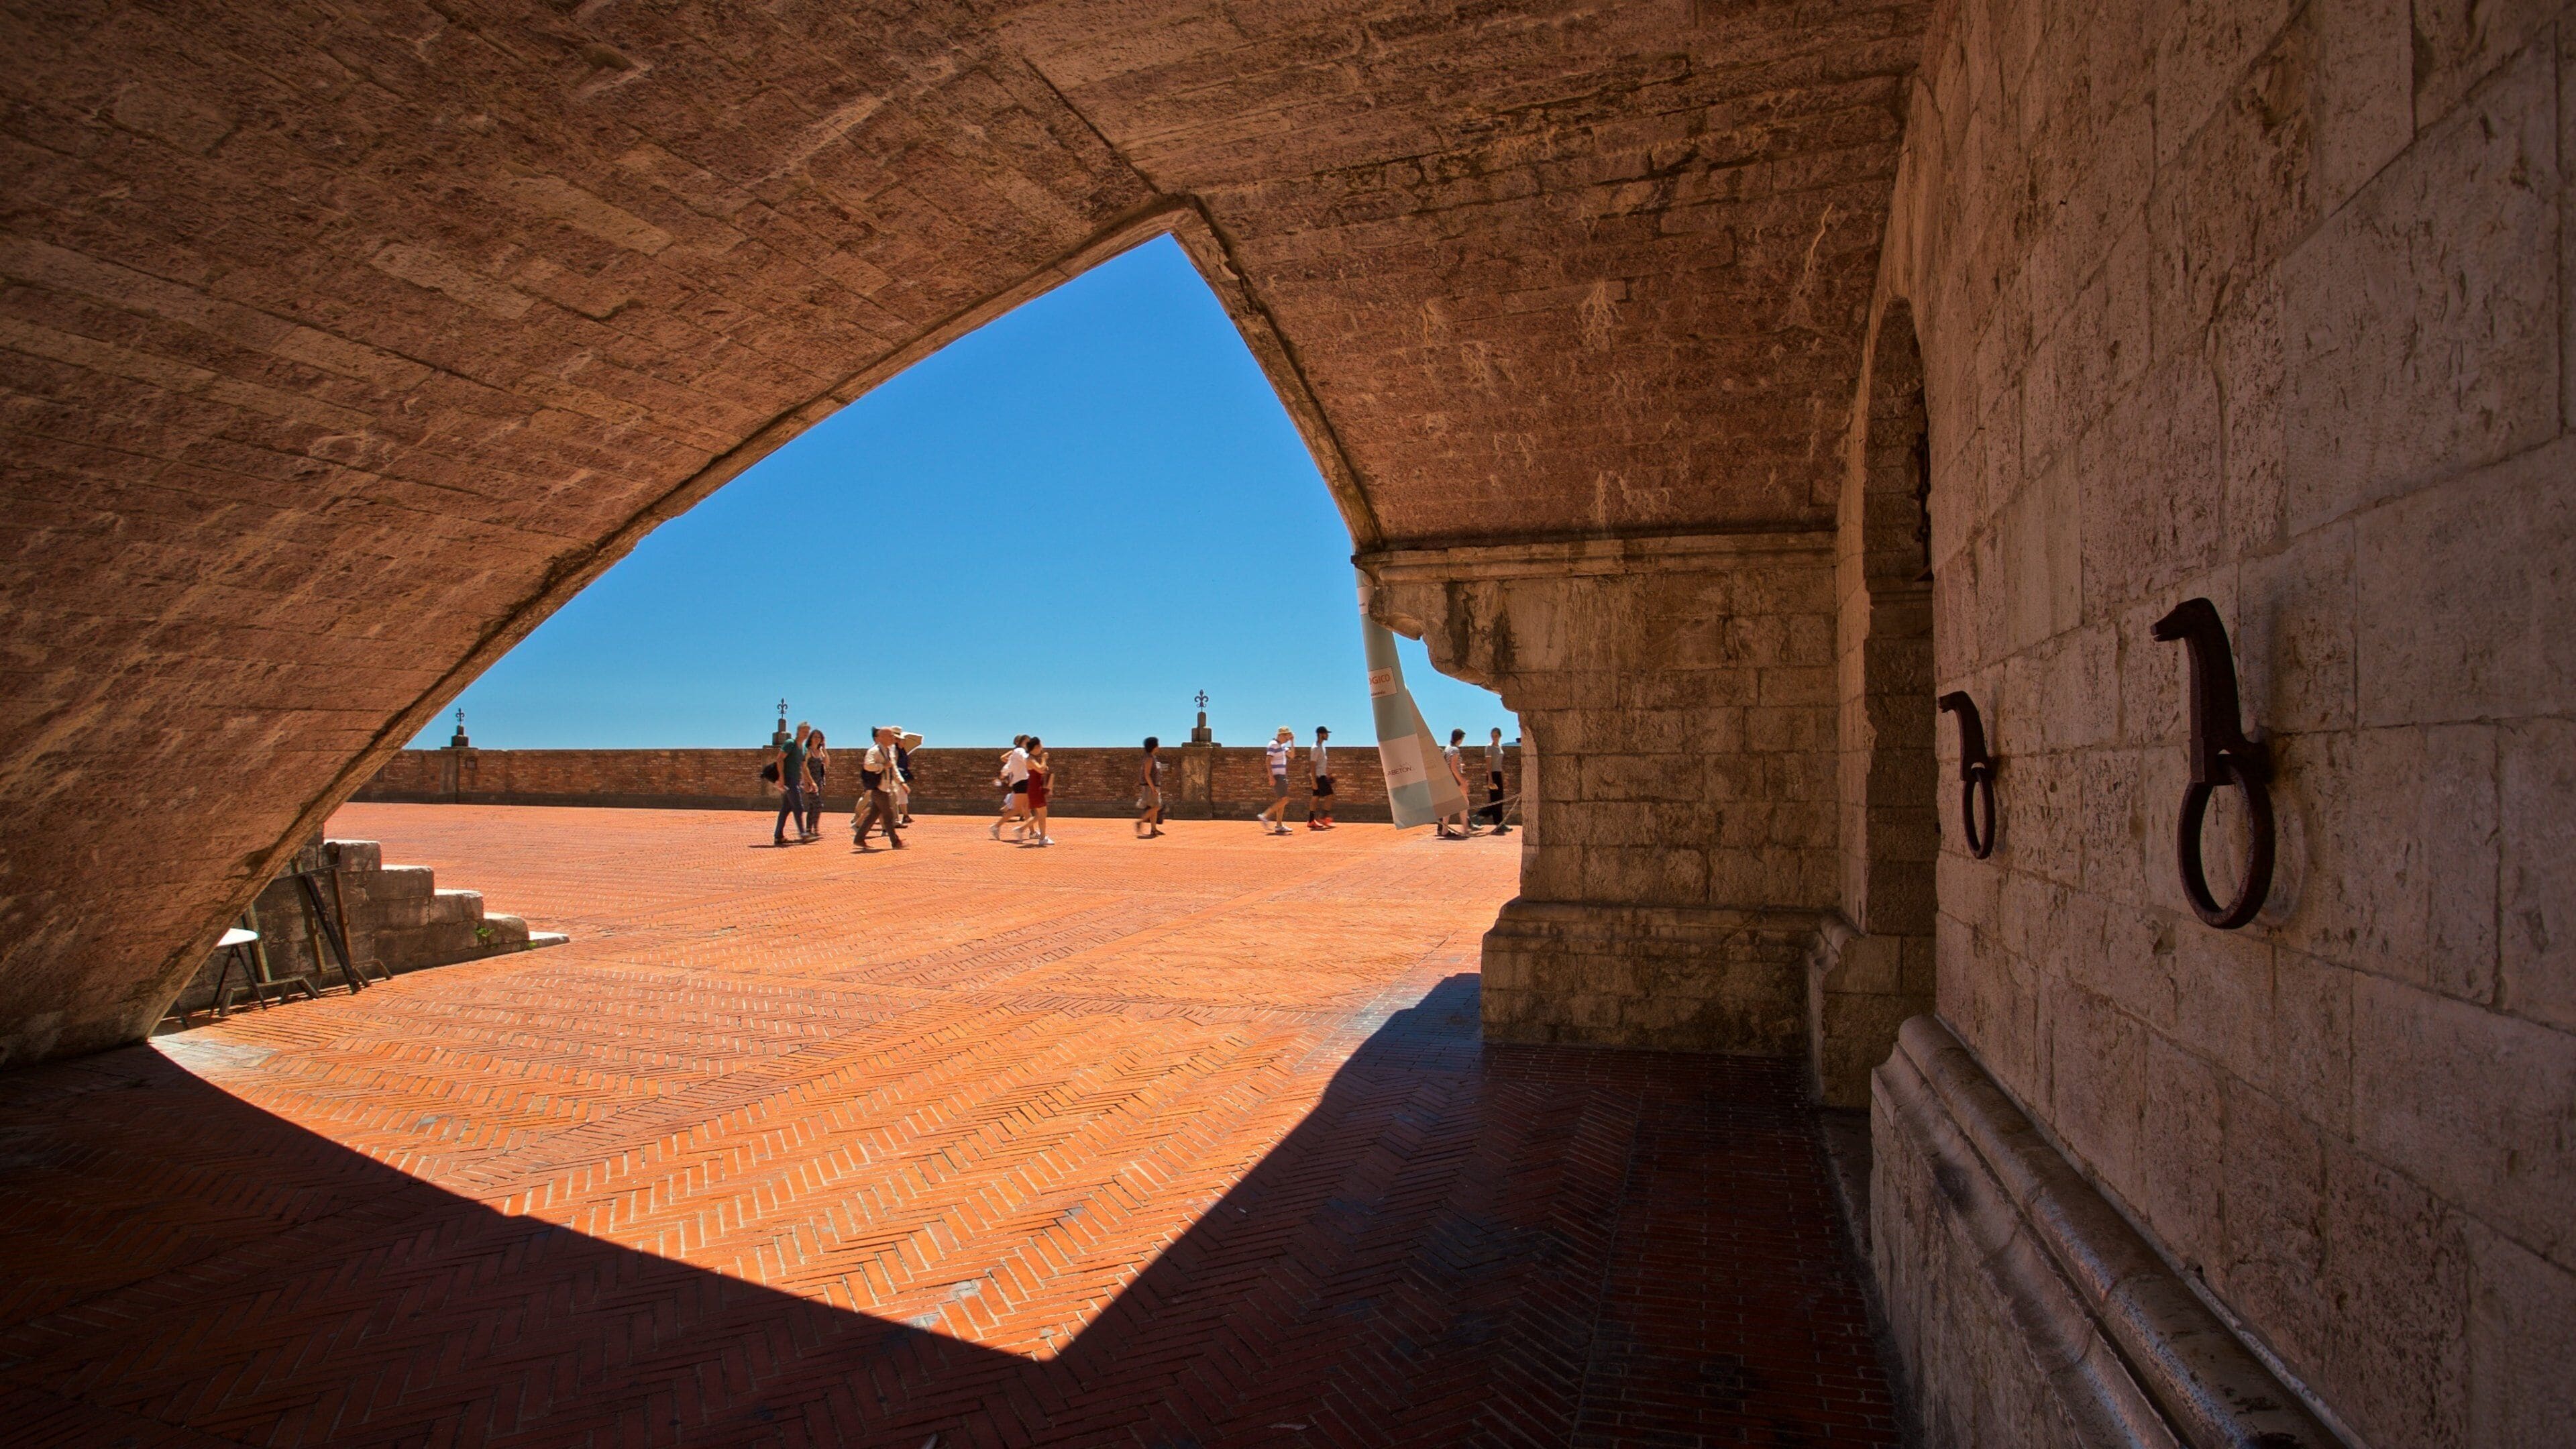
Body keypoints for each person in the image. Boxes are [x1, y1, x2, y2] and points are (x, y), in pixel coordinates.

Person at [853, 725, 906, 850]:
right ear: (881, 737)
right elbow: (868, 765)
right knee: (888, 816)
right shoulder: (874, 751)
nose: (893, 738)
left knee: (873, 815)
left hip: (885, 788)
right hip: (878, 788)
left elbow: (893, 769)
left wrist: (902, 783)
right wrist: (882, 766)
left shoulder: (889, 751)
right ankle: (895, 842)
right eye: (890, 736)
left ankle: (859, 839)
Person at [773, 722, 812, 847]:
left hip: (796, 781)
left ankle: (778, 836)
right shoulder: (790, 743)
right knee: (798, 807)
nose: (806, 734)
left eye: (807, 732)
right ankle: (803, 834)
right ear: (798, 731)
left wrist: (808, 782)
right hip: (789, 780)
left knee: (786, 808)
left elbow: (803, 767)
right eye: (804, 731)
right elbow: (780, 759)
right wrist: (781, 778)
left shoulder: (804, 748)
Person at [1438, 728, 1479, 839]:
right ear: (1460, 738)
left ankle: (1445, 830)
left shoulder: (1448, 748)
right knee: (1465, 804)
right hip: (1455, 781)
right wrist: (1463, 782)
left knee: (1449, 806)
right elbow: (1453, 768)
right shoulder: (1455, 750)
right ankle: (1465, 829)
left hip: (1448, 780)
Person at [993, 735, 1034, 841]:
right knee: (1018, 809)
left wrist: (1003, 775)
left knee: (1026, 809)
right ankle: (996, 826)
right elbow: (1026, 760)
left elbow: (1008, 766)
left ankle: (1032, 832)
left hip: (1022, 782)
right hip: (1021, 782)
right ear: (1022, 742)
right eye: (1028, 741)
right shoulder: (1020, 751)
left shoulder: (1016, 753)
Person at [1258, 727, 1295, 836]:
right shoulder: (1273, 744)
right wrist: (1271, 777)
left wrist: (1292, 742)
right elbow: (1268, 760)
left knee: (1281, 801)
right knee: (1285, 800)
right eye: (1286, 735)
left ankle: (1279, 826)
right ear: (1280, 735)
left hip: (1282, 775)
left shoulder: (1283, 746)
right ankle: (1265, 815)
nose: (1287, 738)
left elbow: (1292, 755)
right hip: (1278, 776)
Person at [1022, 736, 1055, 845]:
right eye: (1041, 745)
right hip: (1035, 789)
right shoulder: (1030, 759)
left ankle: (1042, 837)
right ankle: (1042, 838)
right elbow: (1040, 769)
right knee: (1042, 813)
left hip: (1035, 788)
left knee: (1041, 813)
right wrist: (1044, 759)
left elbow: (1040, 770)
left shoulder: (1031, 758)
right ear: (1036, 746)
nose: (1042, 747)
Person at [1306, 725, 1336, 830]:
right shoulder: (1316, 748)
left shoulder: (1322, 747)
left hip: (1321, 776)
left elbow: (1321, 764)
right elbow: (1312, 765)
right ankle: (1324, 818)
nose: (1327, 735)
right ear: (1320, 734)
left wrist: (1328, 774)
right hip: (1319, 777)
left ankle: (1311, 821)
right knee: (1330, 795)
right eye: (1326, 733)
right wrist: (1314, 781)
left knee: (1316, 797)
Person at [802, 728, 829, 839]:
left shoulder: (820, 751)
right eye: (815, 737)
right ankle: (815, 829)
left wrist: (824, 748)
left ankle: (809, 830)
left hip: (819, 782)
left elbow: (827, 763)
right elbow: (803, 767)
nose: (817, 739)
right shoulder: (808, 751)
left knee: (813, 806)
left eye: (819, 737)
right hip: (810, 782)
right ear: (811, 738)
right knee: (818, 805)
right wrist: (806, 783)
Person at [1136, 736, 1165, 838]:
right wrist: (1153, 788)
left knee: (1154, 807)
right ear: (1153, 746)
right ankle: (1140, 822)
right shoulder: (1149, 758)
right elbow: (1147, 774)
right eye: (1157, 745)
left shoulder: (1153, 757)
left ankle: (1154, 829)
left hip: (1153, 786)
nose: (1159, 747)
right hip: (1149, 787)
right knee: (1157, 806)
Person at [1484, 727, 1512, 834]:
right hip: (1493, 774)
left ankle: (1500, 824)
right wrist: (1490, 779)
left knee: (1500, 800)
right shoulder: (1489, 747)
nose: (1494, 738)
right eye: (1492, 736)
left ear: (1500, 736)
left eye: (1496, 736)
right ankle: (1497, 824)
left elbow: (1500, 764)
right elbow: (1488, 764)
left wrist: (1504, 778)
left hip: (1499, 774)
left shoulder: (1500, 747)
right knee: (1495, 800)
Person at [894, 731, 920, 826]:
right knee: (895, 797)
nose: (904, 742)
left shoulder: (903, 751)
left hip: (903, 775)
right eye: (903, 740)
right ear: (898, 741)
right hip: (897, 775)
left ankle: (906, 816)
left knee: (903, 795)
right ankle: (895, 819)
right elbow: (894, 765)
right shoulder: (896, 751)